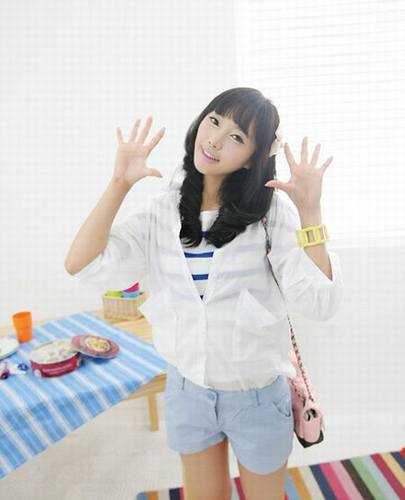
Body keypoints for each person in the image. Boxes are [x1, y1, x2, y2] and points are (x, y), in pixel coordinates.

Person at [65, 87, 344, 500]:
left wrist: (311, 214)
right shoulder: (163, 211)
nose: (214, 140)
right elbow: (82, 263)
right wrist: (119, 183)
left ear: (252, 157)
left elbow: (320, 303)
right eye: (214, 121)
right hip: (187, 389)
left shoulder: (270, 214)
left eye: (236, 136)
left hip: (256, 394)